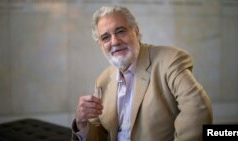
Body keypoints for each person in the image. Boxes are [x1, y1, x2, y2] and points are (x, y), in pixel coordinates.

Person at [71, 5, 212, 141]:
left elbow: (198, 109)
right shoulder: (102, 80)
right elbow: (100, 137)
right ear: (100, 45)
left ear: (136, 32)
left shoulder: (170, 61)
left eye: (120, 31)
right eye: (106, 37)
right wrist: (81, 123)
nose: (114, 41)